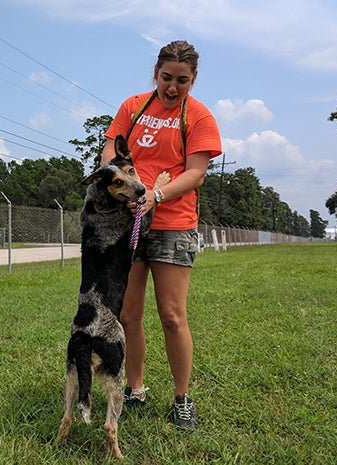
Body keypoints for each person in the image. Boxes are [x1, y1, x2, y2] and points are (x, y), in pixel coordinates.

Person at [101, 40, 222, 429]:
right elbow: (109, 157)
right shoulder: (133, 107)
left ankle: (182, 398)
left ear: (194, 79)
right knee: (127, 314)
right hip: (129, 220)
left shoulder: (199, 117)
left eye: (182, 81)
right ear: (155, 72)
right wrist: (125, 192)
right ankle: (135, 390)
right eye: (166, 77)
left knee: (171, 315)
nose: (172, 87)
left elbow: (195, 172)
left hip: (173, 224)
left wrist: (154, 195)